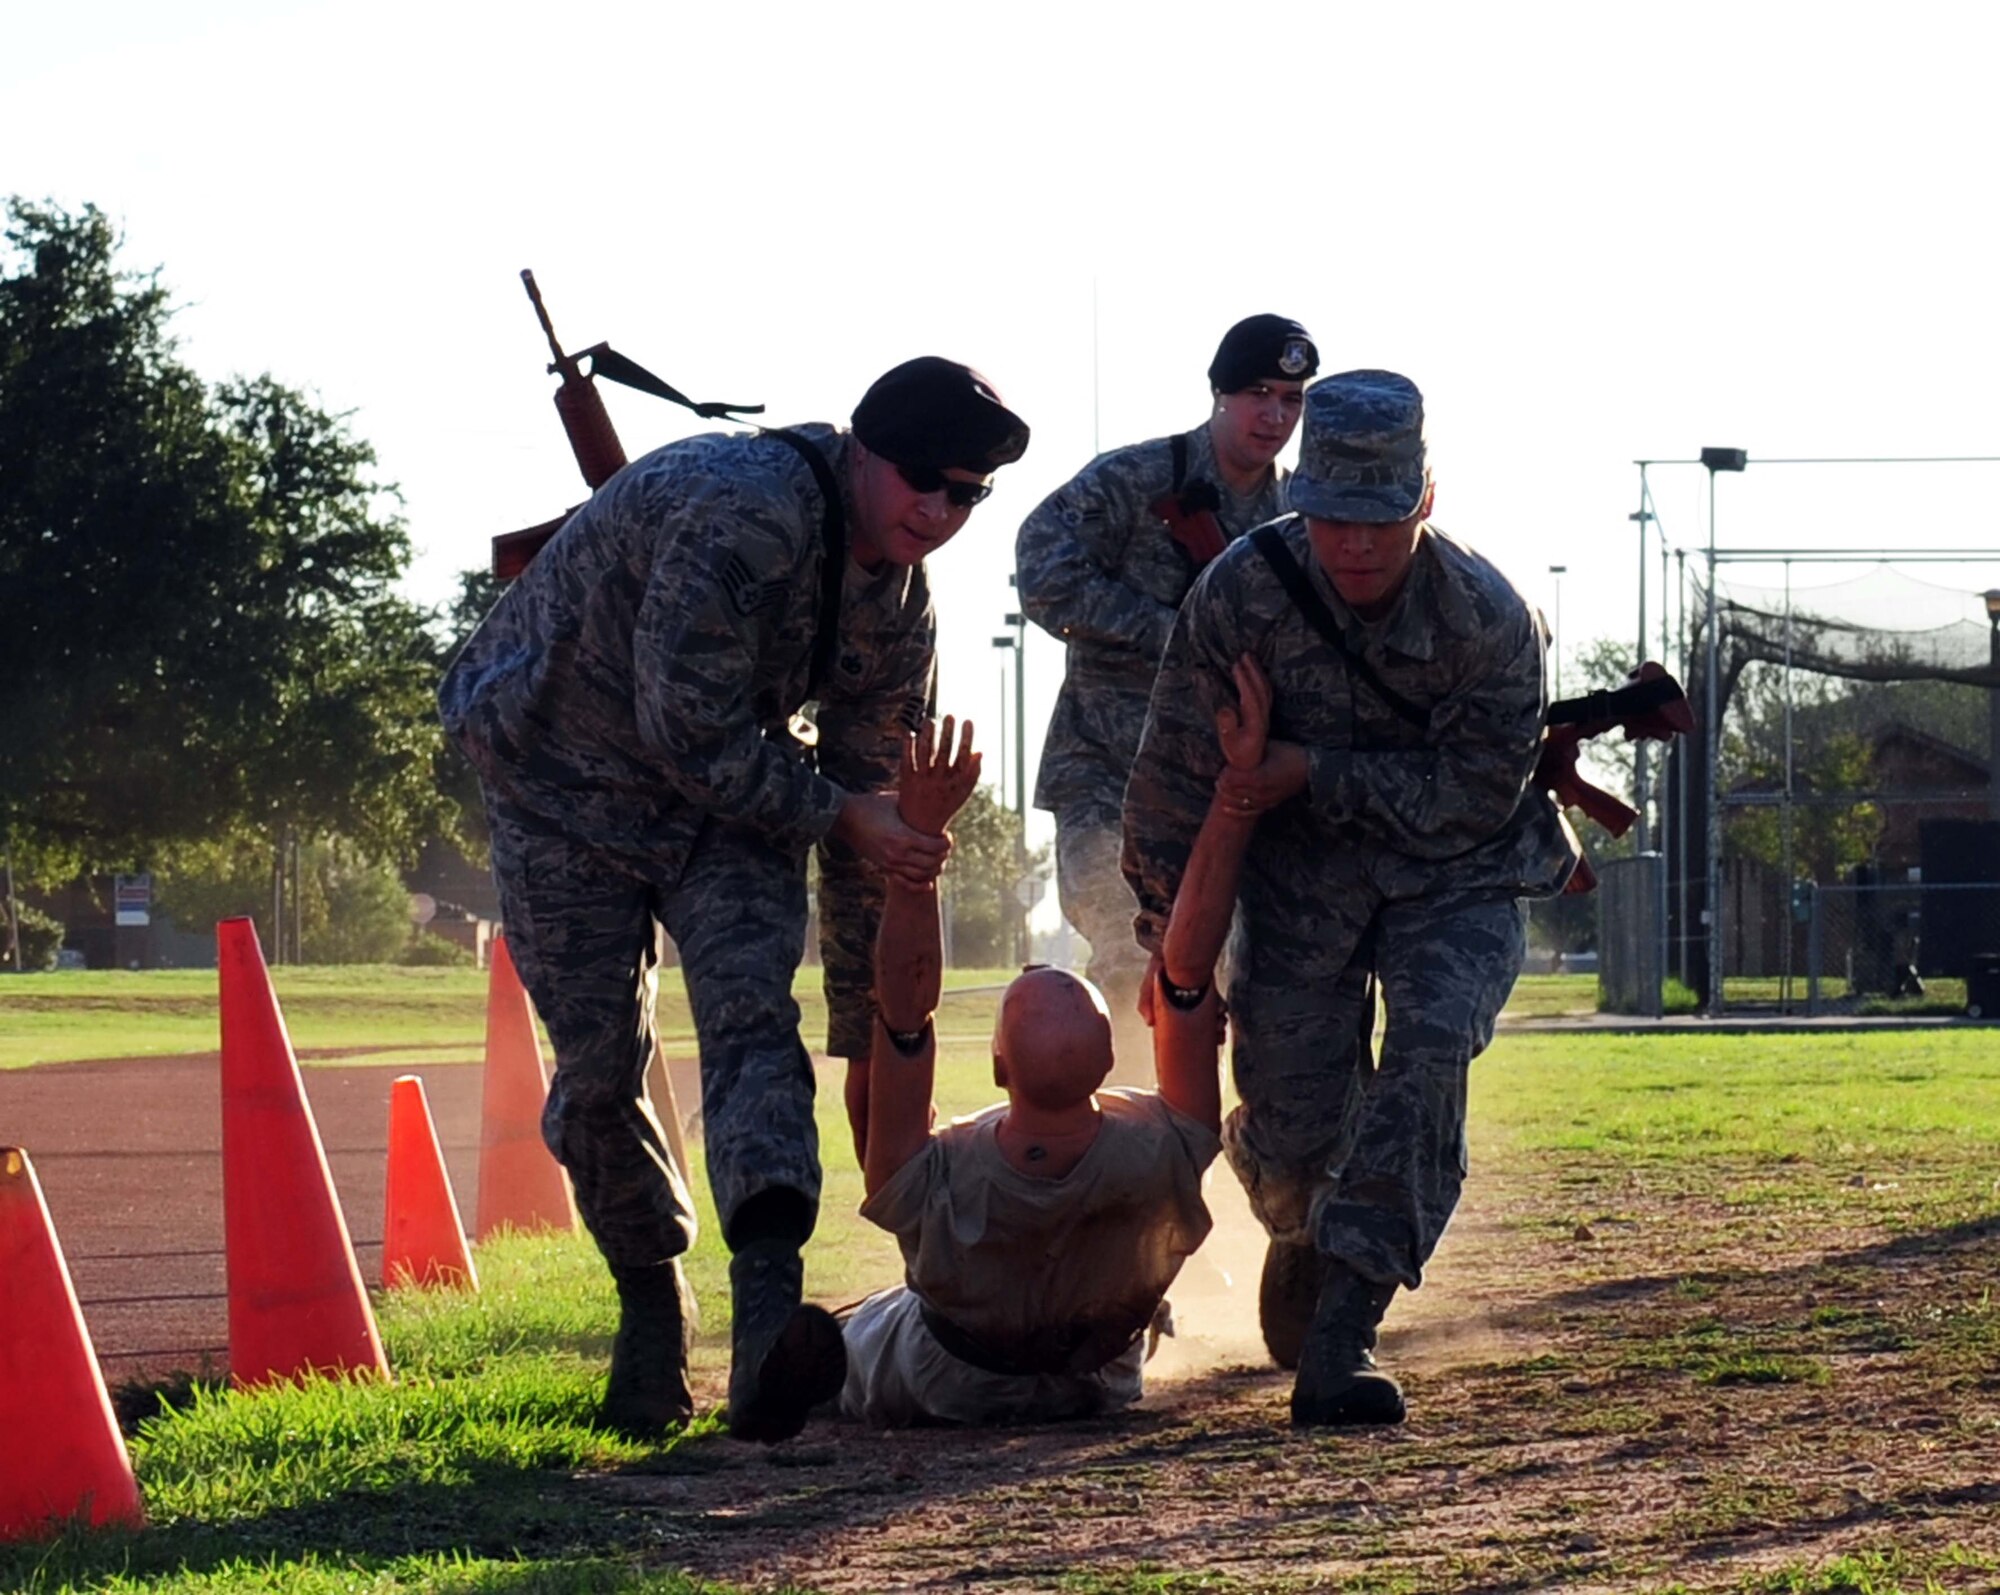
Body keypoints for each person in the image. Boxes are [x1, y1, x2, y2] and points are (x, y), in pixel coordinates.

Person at [439, 358, 1030, 1443]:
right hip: (556, 777)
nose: (937, 513)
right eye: (920, 481)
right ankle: (650, 1305)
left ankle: (766, 1327)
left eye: (965, 496)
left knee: (757, 1022)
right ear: (860, 447)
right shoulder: (741, 513)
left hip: (728, 797)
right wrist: (845, 814)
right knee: (601, 1062)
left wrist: (871, 1032)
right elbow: (693, 737)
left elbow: (871, 814)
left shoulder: (899, 604)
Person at [1122, 369, 1579, 1427]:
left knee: (1426, 1050)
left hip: (1453, 871)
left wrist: (1309, 769)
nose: (1355, 545)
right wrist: (1174, 944)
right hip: (1298, 874)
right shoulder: (1240, 594)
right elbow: (1169, 783)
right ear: (1297, 501)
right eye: (1330, 518)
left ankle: (1344, 1327)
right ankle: (1299, 1223)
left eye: (1378, 519)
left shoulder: (1490, 618)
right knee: (1290, 1120)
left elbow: (1473, 796)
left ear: (1422, 500)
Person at [838, 683, 1276, 1428]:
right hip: (1098, 1377)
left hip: (955, 1378)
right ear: (1113, 1060)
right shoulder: (1164, 1150)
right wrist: (1234, 794)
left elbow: (904, 1014)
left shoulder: (934, 1175)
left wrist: (918, 850)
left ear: (999, 1066)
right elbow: (1188, 974)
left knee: (857, 1332)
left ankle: (815, 1356)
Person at [1017, 315, 1318, 1065]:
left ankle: (1215, 1151)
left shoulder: (1300, 520)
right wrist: (1168, 632)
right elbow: (1043, 566)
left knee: (1235, 972)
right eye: (1258, 394)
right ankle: (1123, 1148)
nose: (1275, 416)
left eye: (1291, 398)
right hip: (1105, 775)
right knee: (1127, 956)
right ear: (1219, 393)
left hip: (1222, 791)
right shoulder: (1137, 480)